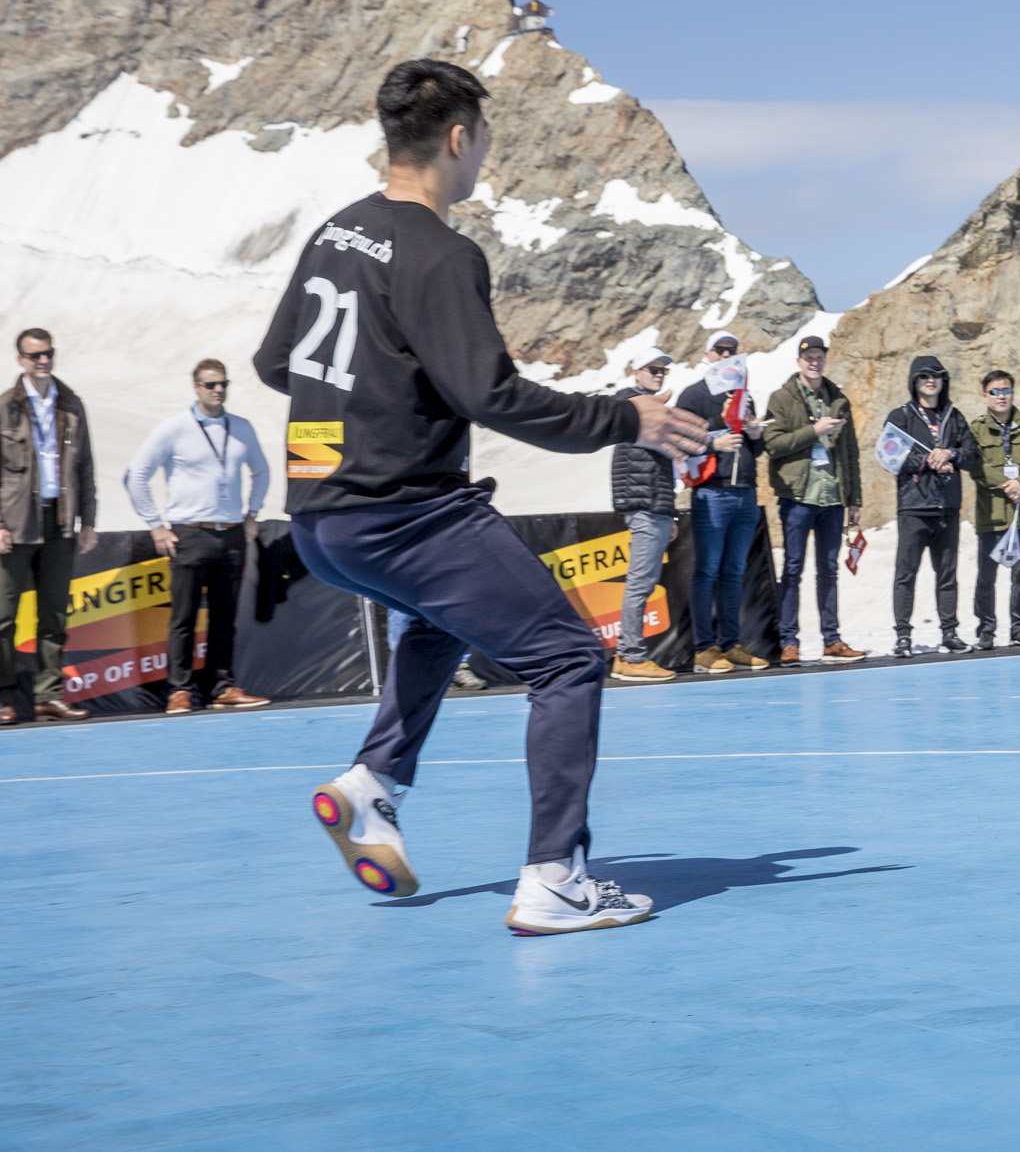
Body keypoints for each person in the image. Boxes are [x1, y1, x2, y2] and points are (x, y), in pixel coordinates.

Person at [258, 59, 707, 933]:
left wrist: (368, 405)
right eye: (486, 135)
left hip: (319, 518)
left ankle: (373, 782)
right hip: (406, 512)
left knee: (440, 618)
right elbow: (491, 395)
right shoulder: (441, 253)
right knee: (568, 659)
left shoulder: (335, 234)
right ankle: (554, 879)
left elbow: (279, 363)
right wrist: (627, 417)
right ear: (460, 137)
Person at [124, 358, 273, 713]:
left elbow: (262, 471)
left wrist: (252, 513)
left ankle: (223, 687)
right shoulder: (174, 428)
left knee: (225, 617)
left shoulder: (241, 427)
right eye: (210, 385)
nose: (218, 390)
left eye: (223, 384)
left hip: (231, 535)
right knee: (184, 618)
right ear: (196, 388)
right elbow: (137, 475)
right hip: (189, 534)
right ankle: (179, 691)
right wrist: (155, 525)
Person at [1, 328, 100, 724]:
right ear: (21, 360)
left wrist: (88, 520)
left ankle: (49, 696)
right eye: (35, 355)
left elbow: (86, 466)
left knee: (55, 616)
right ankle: (4, 698)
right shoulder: (6, 406)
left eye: (48, 353)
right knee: (4, 617)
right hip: (16, 523)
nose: (43, 361)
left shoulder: (70, 403)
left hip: (59, 520)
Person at [762, 336, 865, 663]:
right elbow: (772, 444)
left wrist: (854, 498)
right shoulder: (781, 398)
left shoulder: (838, 399)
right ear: (799, 362)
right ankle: (788, 641)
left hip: (832, 497)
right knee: (793, 569)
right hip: (798, 496)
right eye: (809, 357)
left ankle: (831, 640)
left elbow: (851, 452)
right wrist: (814, 431)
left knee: (829, 570)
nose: (814, 362)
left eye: (819, 357)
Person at [674, 335, 772, 672]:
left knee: (734, 572)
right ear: (708, 355)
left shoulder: (744, 395)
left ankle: (730, 644)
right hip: (711, 492)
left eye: (731, 350)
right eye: (720, 350)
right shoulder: (694, 395)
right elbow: (680, 443)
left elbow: (753, 449)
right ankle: (704, 648)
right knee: (707, 570)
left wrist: (755, 436)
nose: (726, 355)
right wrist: (716, 439)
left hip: (744, 491)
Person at [885, 355, 977, 655]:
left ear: (943, 381)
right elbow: (888, 455)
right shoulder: (902, 416)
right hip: (914, 507)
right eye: (924, 375)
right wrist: (927, 460)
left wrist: (950, 454)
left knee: (947, 575)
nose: (930, 380)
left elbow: (971, 454)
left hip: (947, 507)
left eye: (936, 375)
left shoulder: (954, 415)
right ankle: (903, 636)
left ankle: (950, 632)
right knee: (906, 574)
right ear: (914, 381)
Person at [606, 346, 681, 682]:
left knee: (644, 583)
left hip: (656, 506)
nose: (659, 374)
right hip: (644, 506)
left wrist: (670, 513)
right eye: (652, 369)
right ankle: (630, 656)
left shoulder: (651, 409)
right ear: (635, 373)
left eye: (663, 370)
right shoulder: (629, 406)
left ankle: (628, 655)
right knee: (640, 583)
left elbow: (662, 467)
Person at [965, 369, 1020, 648]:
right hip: (992, 513)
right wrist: (1006, 484)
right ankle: (986, 629)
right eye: (995, 391)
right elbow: (976, 465)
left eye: (1006, 390)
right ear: (985, 395)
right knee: (986, 576)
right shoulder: (976, 429)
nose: (1001, 396)